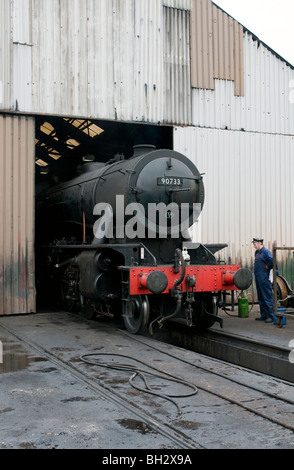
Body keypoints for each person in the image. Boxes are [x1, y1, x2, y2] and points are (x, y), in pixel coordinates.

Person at [252, 237, 275, 323]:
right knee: (261, 297)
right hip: (258, 278)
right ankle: (264, 315)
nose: (254, 246)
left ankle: (270, 316)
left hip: (265, 278)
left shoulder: (266, 252)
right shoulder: (257, 252)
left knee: (267, 297)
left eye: (255, 244)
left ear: (260, 243)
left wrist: (268, 266)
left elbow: (272, 261)